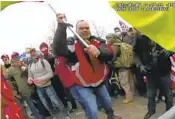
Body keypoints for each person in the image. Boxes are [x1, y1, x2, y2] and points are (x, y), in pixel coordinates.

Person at [52, 14, 122, 119]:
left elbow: (109, 53)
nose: (85, 30)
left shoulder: (97, 41)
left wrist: (99, 51)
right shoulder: (72, 44)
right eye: (81, 28)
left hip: (99, 82)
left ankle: (111, 116)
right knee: (92, 110)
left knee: (108, 103)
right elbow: (58, 50)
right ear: (76, 30)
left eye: (87, 28)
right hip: (83, 84)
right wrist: (61, 27)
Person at [39, 42, 77, 114]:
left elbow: (64, 63)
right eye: (42, 48)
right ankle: (66, 105)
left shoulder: (54, 57)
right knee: (59, 93)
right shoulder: (42, 60)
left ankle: (73, 104)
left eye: (45, 47)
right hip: (52, 78)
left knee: (66, 91)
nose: (44, 49)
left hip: (59, 76)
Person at [27, 49, 65, 119]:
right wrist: (29, 79)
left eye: (34, 52)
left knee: (56, 101)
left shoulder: (43, 61)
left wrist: (40, 79)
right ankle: (54, 116)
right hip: (39, 88)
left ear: (37, 53)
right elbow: (30, 75)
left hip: (48, 86)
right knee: (47, 104)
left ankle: (64, 115)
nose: (33, 54)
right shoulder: (30, 65)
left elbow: (50, 74)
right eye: (31, 53)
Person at [7, 52, 43, 119]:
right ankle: (38, 117)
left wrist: (25, 69)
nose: (18, 60)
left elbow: (30, 72)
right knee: (31, 106)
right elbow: (7, 78)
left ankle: (44, 114)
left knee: (38, 103)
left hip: (31, 88)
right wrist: (13, 87)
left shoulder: (23, 64)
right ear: (13, 61)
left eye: (18, 58)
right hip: (24, 91)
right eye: (16, 59)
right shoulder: (11, 69)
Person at [106, 33, 135, 104]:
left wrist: (110, 62)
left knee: (124, 82)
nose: (108, 40)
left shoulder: (116, 46)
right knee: (130, 81)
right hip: (128, 65)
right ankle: (132, 95)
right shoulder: (123, 44)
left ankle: (129, 97)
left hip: (121, 66)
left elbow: (114, 57)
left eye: (108, 38)